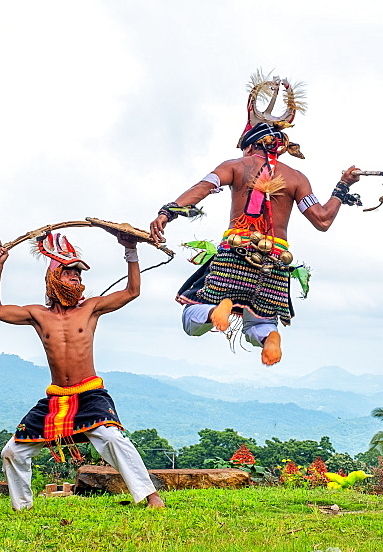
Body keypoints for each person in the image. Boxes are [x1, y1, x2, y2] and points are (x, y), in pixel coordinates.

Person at [149, 73, 362, 367]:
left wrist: (167, 212)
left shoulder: (236, 166)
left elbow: (202, 188)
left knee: (191, 318)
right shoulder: (297, 178)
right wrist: (342, 187)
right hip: (275, 262)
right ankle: (270, 338)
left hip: (236, 254)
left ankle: (215, 311)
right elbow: (322, 220)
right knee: (259, 325)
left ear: (250, 142)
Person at [0, 228, 165, 510]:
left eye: (79, 274)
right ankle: (22, 508)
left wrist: (131, 251)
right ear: (55, 278)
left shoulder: (90, 308)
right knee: (13, 450)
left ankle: (150, 497)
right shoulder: (37, 315)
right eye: (71, 273)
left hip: (90, 394)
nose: (77, 278)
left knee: (112, 438)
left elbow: (132, 291)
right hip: (56, 399)